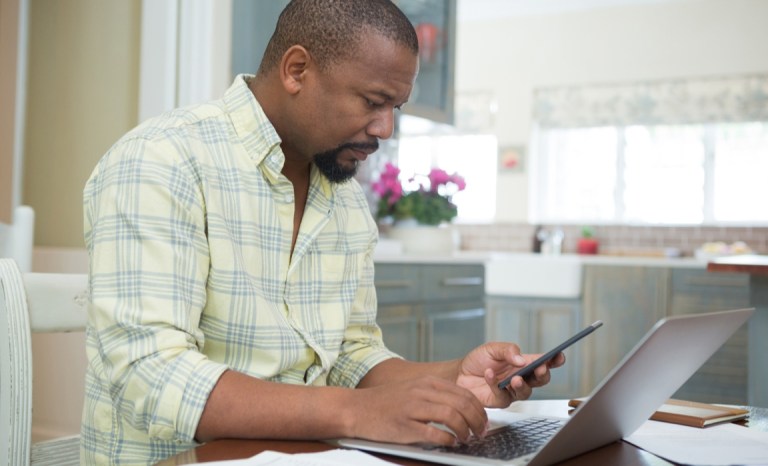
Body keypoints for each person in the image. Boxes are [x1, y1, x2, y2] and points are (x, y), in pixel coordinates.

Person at [81, 1, 564, 464]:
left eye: (396, 106)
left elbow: (351, 355)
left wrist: (453, 377)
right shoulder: (161, 160)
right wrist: (357, 413)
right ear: (296, 70)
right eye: (374, 102)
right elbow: (151, 375)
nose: (386, 128)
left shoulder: (345, 198)